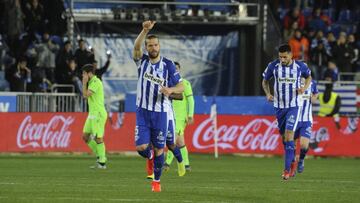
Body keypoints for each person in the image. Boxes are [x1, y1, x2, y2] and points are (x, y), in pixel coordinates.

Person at [133, 20, 184, 192]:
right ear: (147, 47)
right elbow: (136, 47)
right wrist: (144, 30)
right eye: (150, 45)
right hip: (143, 111)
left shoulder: (168, 65)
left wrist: (170, 90)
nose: (153, 48)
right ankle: (149, 155)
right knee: (141, 147)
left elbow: (181, 86)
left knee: (161, 148)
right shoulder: (142, 62)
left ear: (159, 46)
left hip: (161, 113)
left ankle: (156, 181)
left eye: (155, 45)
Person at [262, 44, 311, 180]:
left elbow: (309, 77)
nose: (282, 59)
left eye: (285, 57)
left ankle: (286, 170)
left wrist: (304, 88)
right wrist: (267, 93)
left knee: (290, 135)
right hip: (279, 107)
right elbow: (265, 81)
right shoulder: (273, 66)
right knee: (285, 139)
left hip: (293, 106)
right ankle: (293, 162)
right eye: (280, 57)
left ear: (291, 55)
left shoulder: (300, 67)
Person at [164, 61, 195, 172]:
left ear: (179, 70)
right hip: (169, 115)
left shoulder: (184, 84)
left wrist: (190, 115)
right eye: (173, 69)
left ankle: (166, 164)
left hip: (180, 117)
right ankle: (186, 165)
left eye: (177, 69)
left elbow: (191, 100)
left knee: (172, 139)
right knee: (180, 142)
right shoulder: (168, 84)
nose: (175, 71)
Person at [81, 64, 108, 169]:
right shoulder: (91, 82)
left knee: (98, 138)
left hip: (98, 114)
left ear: (89, 73)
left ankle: (102, 162)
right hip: (92, 114)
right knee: (85, 137)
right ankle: (100, 156)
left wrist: (84, 83)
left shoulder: (96, 82)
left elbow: (85, 95)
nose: (83, 76)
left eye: (84, 74)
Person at [292, 78, 318, 176]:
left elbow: (316, 93)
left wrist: (314, 98)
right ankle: (292, 165)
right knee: (292, 145)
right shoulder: (293, 81)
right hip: (294, 118)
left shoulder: (312, 82)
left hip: (306, 120)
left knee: (304, 145)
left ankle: (301, 160)